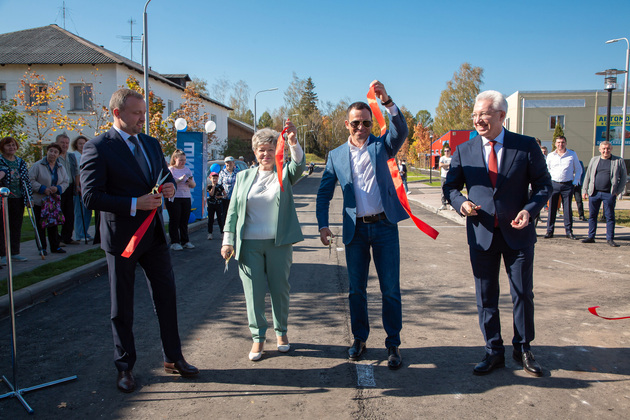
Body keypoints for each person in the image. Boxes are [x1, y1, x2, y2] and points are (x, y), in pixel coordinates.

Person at [80, 88, 198, 393]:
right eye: (136, 113)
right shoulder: (98, 147)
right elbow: (91, 196)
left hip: (153, 235)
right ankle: (125, 367)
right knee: (122, 305)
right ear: (117, 113)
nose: (142, 119)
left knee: (167, 297)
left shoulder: (150, 143)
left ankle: (173, 357)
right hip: (122, 239)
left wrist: (169, 187)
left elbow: (162, 176)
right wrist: (135, 203)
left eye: (143, 113)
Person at [443, 90, 552, 377]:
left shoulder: (525, 146)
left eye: (484, 114)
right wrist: (461, 203)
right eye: (475, 115)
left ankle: (523, 348)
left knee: (522, 294)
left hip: (518, 234)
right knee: (486, 295)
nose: (477, 120)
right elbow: (450, 187)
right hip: (482, 234)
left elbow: (543, 185)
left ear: (501, 115)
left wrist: (530, 210)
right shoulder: (464, 150)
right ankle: (493, 351)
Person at [316, 80, 409, 370]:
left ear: (371, 124)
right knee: (356, 289)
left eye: (366, 123)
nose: (361, 128)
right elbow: (324, 193)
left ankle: (393, 343)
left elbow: (400, 130)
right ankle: (359, 339)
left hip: (384, 228)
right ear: (347, 124)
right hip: (354, 231)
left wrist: (387, 101)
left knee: (390, 288)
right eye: (356, 123)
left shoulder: (382, 146)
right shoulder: (335, 156)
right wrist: (322, 224)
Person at [220, 122, 305, 361]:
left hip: (279, 243)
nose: (265, 154)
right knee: (253, 293)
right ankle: (258, 337)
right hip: (249, 245)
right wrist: (228, 240)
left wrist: (292, 142)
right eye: (261, 150)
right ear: (254, 152)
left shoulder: (284, 173)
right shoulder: (243, 177)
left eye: (270, 149)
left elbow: (299, 166)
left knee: (280, 290)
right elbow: (233, 211)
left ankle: (281, 333)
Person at [581, 141, 628, 247]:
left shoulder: (618, 161)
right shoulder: (594, 160)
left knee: (609, 216)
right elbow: (588, 176)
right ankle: (591, 236)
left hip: (609, 194)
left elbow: (623, 178)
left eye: (608, 148)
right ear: (599, 149)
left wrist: (617, 192)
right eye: (603, 149)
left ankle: (610, 238)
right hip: (594, 193)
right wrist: (584, 190)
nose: (606, 151)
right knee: (592, 216)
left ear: (611, 149)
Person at [29, 143, 69, 255]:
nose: (52, 154)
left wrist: (58, 188)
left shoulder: (60, 167)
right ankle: (42, 248)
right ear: (47, 152)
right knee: (40, 225)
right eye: (51, 151)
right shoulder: (37, 165)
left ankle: (55, 246)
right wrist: (42, 188)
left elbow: (66, 181)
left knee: (53, 224)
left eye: (55, 152)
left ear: (58, 154)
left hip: (54, 201)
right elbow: (30, 180)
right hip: (40, 200)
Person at [0, 136, 33, 264]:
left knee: (16, 225)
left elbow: (26, 181)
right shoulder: (0, 160)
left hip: (18, 197)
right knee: (2, 226)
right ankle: (3, 254)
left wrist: (29, 198)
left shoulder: (20, 162)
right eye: (8, 145)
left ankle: (15, 252)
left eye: (13, 145)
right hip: (3, 199)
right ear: (3, 147)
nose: (12, 147)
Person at [544, 136, 582, 240]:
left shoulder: (572, 154)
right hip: (554, 184)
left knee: (567, 209)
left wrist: (575, 182)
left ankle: (569, 231)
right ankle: (549, 231)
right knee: (552, 209)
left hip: (567, 185)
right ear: (555, 144)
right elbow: (546, 170)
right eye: (559, 142)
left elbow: (578, 169)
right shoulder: (551, 156)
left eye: (563, 142)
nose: (561, 144)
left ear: (566, 143)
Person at [165, 149, 195, 251]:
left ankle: (185, 241)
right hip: (174, 197)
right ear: (175, 159)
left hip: (186, 196)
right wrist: (179, 179)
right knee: (175, 219)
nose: (183, 162)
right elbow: (169, 183)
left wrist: (189, 182)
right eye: (181, 160)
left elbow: (193, 184)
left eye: (184, 160)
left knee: (184, 220)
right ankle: (174, 242)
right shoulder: (171, 170)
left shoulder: (187, 170)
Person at [55, 133, 80, 246]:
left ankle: (67, 237)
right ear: (57, 143)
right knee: (57, 213)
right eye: (62, 142)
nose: (64, 145)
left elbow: (76, 172)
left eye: (66, 143)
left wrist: (77, 186)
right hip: (58, 188)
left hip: (69, 187)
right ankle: (57, 239)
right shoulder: (55, 156)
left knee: (69, 214)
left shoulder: (71, 156)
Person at [72, 135, 92, 242]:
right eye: (80, 143)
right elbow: (77, 172)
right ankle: (79, 234)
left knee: (88, 211)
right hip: (79, 187)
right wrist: (78, 186)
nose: (82, 146)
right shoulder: (74, 156)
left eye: (84, 143)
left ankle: (85, 232)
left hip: (88, 187)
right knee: (79, 212)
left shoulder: (88, 154)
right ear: (76, 145)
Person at [218, 156, 239, 221]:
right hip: (225, 197)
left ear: (233, 163)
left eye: (230, 162)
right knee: (224, 214)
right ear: (225, 163)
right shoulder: (222, 173)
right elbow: (219, 184)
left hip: (234, 197)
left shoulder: (238, 172)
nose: (229, 164)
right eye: (227, 162)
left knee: (234, 214)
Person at [206, 171, 225, 240]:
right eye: (213, 178)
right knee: (210, 219)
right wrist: (213, 186)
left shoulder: (220, 186)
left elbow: (225, 194)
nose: (215, 180)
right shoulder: (209, 186)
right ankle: (210, 233)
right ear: (210, 178)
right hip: (211, 204)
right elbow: (211, 194)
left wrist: (220, 197)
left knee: (220, 219)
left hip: (218, 204)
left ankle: (222, 233)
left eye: (216, 178)